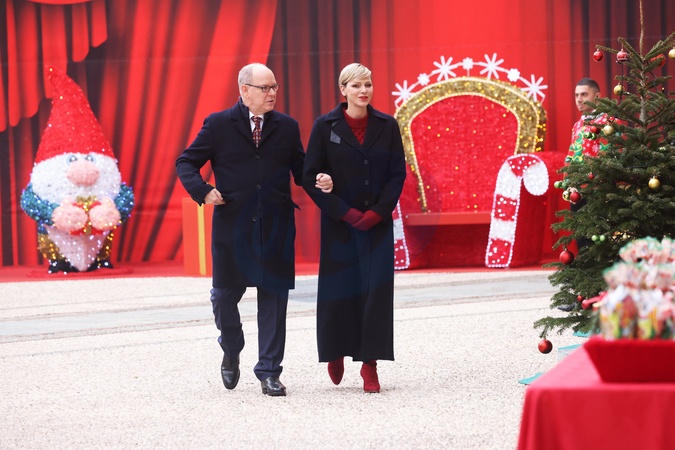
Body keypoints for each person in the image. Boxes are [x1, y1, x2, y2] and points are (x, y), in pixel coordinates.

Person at [176, 63, 333, 397]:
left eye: (275, 87)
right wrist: (203, 191)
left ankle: (269, 372)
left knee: (274, 301)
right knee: (223, 297)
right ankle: (232, 346)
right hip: (233, 226)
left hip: (276, 226)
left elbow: (301, 171)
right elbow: (186, 162)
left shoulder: (287, 127)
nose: (272, 93)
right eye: (265, 88)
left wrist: (319, 178)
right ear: (244, 90)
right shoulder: (218, 124)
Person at [301, 63, 406, 393]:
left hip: (377, 224)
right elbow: (309, 176)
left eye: (368, 85)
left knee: (375, 293)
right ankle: (335, 352)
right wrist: (344, 212)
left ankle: (369, 364)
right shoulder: (324, 126)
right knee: (339, 290)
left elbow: (397, 175)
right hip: (340, 225)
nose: (364, 91)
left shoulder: (387, 125)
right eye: (356, 85)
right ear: (343, 90)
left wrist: (377, 213)